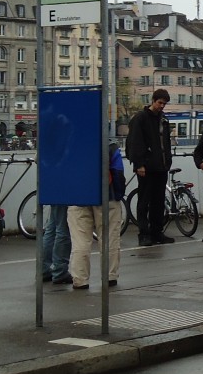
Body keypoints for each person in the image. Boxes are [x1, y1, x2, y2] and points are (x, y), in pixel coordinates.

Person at [66, 143, 124, 289]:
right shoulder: (110, 146)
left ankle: (80, 279)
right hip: (106, 197)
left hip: (77, 197)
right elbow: (117, 173)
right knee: (109, 237)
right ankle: (109, 276)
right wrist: (117, 195)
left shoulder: (71, 144)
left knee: (80, 241)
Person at [126, 88, 174, 247]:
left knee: (158, 201)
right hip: (147, 167)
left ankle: (156, 232)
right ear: (153, 101)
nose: (162, 106)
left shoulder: (163, 120)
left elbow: (165, 143)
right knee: (144, 201)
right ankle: (144, 234)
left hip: (160, 166)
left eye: (164, 104)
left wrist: (167, 161)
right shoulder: (140, 118)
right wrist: (138, 164)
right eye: (160, 103)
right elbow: (135, 142)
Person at [40, 201, 72, 286]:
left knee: (52, 227)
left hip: (53, 190)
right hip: (63, 191)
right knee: (62, 228)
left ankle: (45, 269)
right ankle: (60, 271)